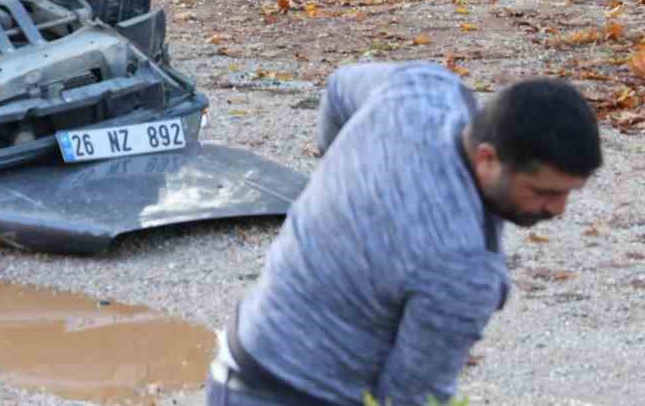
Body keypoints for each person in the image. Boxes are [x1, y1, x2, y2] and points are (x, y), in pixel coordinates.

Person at [208, 63, 603, 406]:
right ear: (488, 158)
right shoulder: (464, 266)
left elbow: (340, 88)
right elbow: (409, 398)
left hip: (240, 353)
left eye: (568, 192)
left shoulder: (421, 90)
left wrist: (338, 183)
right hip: (290, 393)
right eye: (544, 192)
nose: (558, 209)